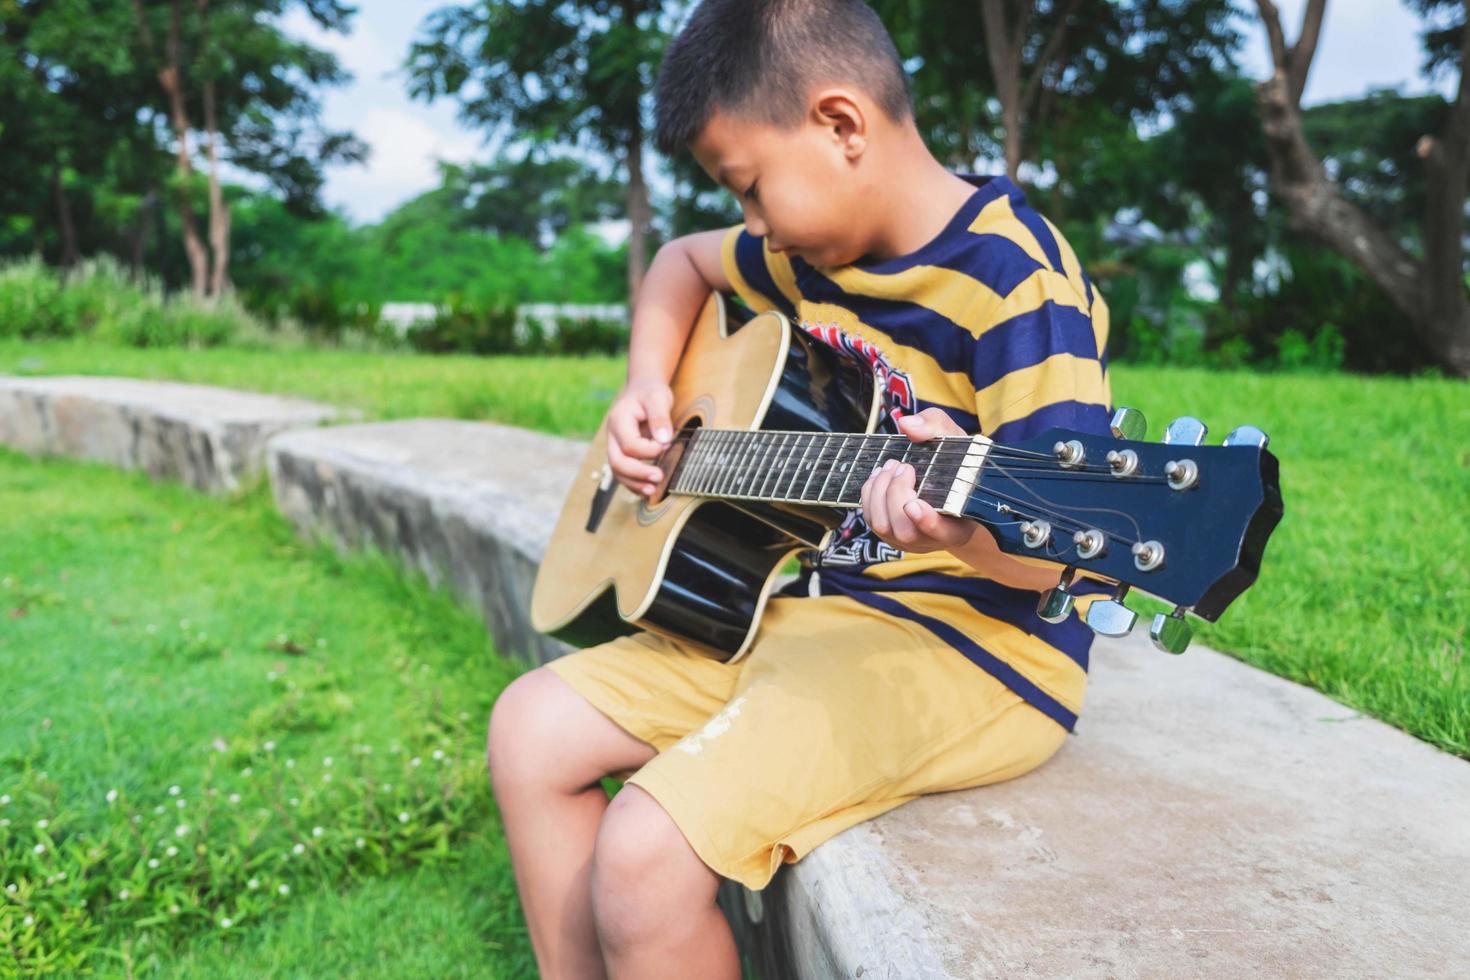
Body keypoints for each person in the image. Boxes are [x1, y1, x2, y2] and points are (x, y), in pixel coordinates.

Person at [488, 1, 1114, 976]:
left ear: (840, 124)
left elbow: (1067, 547)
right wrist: (646, 384)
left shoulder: (1016, 283)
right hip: (794, 607)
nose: (748, 224)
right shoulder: (803, 250)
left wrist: (961, 529)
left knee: (644, 855)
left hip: (973, 648)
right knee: (528, 729)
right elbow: (677, 263)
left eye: (748, 188)